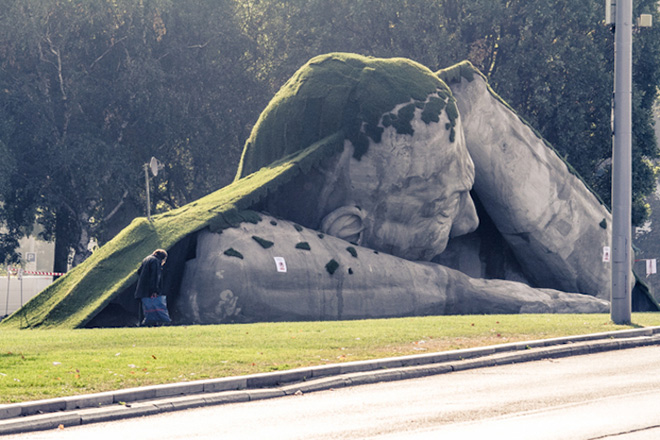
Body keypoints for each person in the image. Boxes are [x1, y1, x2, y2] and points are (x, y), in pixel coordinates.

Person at [135, 249, 171, 326]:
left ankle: (142, 324)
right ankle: (155, 323)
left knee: (144, 308)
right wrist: (155, 290)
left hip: (142, 289)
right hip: (149, 290)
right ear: (163, 258)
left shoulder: (146, 259)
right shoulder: (156, 261)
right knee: (154, 306)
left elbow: (139, 272)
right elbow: (155, 277)